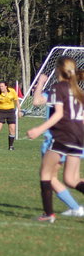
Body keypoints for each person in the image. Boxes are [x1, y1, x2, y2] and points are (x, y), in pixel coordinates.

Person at [27, 57, 84, 222]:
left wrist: (38, 129)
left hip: (62, 136)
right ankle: (71, 208)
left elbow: (58, 114)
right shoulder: (78, 91)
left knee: (46, 174)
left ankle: (48, 214)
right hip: (78, 138)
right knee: (71, 179)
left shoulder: (58, 88)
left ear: (58, 70)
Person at [0, 81, 22, 150]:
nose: (1, 88)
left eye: (2, 86)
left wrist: (19, 111)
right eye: (0, 86)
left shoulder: (12, 91)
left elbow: (16, 101)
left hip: (10, 112)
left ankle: (11, 146)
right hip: (1, 111)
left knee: (12, 129)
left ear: (6, 86)